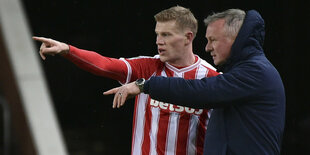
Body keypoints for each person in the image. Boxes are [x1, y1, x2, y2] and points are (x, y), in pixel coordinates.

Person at [33, 6, 219, 155]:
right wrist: (68, 50)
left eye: (166, 35)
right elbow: (105, 65)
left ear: (188, 37)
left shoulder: (212, 79)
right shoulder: (146, 67)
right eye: (157, 34)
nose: (158, 41)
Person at [104, 9, 286, 154]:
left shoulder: (256, 71)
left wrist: (145, 85)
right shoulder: (248, 70)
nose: (207, 48)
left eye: (213, 40)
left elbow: (201, 91)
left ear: (235, 39)